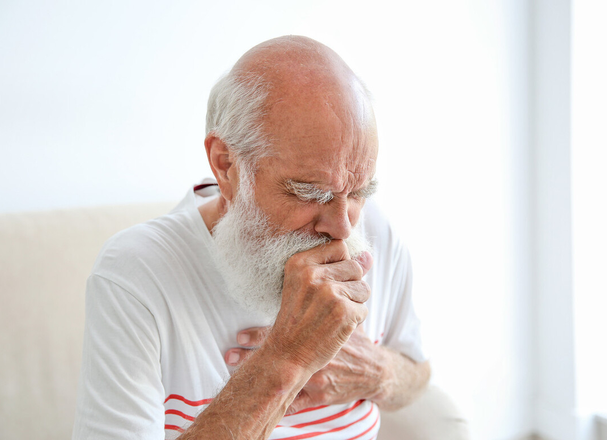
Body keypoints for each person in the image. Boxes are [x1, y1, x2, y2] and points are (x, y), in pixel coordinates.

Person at [72, 35, 430, 440]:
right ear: (226, 166)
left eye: (360, 192)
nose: (344, 228)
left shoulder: (376, 232)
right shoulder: (136, 274)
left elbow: (417, 373)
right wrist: (287, 358)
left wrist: (376, 371)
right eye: (310, 193)